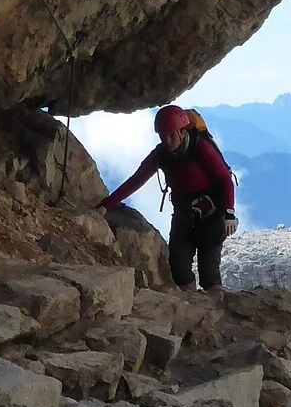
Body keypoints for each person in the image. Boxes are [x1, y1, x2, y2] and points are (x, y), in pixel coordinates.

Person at [97, 106, 237, 291]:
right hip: (184, 215)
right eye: (163, 136)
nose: (167, 141)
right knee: (179, 269)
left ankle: (211, 308)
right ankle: (192, 307)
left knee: (209, 274)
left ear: (183, 131)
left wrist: (229, 212)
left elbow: (225, 180)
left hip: (212, 216)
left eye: (171, 135)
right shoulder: (161, 155)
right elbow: (136, 180)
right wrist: (106, 205)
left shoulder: (200, 147)